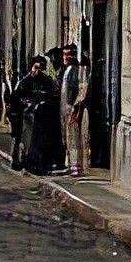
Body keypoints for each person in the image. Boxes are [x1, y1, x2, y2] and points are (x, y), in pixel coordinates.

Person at [12, 56, 62, 175]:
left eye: (41, 68)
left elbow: (54, 96)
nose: (38, 71)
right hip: (26, 116)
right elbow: (15, 97)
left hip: (42, 118)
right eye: (36, 68)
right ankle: (21, 160)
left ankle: (39, 164)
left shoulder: (47, 81)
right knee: (23, 139)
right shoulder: (25, 81)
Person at [58, 43, 90, 177]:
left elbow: (81, 91)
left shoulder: (77, 70)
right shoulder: (66, 70)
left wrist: (76, 109)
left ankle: (76, 166)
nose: (66, 57)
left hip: (72, 108)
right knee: (67, 137)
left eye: (68, 54)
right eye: (64, 54)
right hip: (65, 107)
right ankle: (70, 163)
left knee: (74, 138)